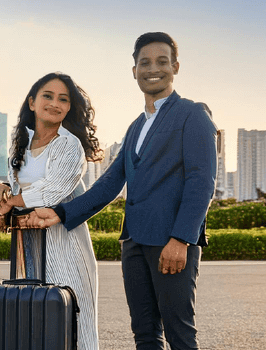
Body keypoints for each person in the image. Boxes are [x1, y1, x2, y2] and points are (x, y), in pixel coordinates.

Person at [23, 32, 217, 350]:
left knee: (180, 335)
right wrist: (58, 213)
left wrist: (181, 239)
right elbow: (110, 183)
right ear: (134, 71)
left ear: (175, 67)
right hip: (134, 243)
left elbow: (201, 181)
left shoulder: (192, 114)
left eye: (162, 61)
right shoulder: (136, 126)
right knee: (144, 334)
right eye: (145, 63)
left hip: (170, 241)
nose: (152, 69)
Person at [0, 72, 103, 350]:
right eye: (47, 96)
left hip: (66, 246)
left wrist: (11, 201)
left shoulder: (69, 145)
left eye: (63, 99)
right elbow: (19, 186)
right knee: (33, 322)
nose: (54, 103)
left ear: (69, 108)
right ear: (32, 102)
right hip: (28, 246)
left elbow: (52, 191)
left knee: (73, 324)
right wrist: (2, 192)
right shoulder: (20, 145)